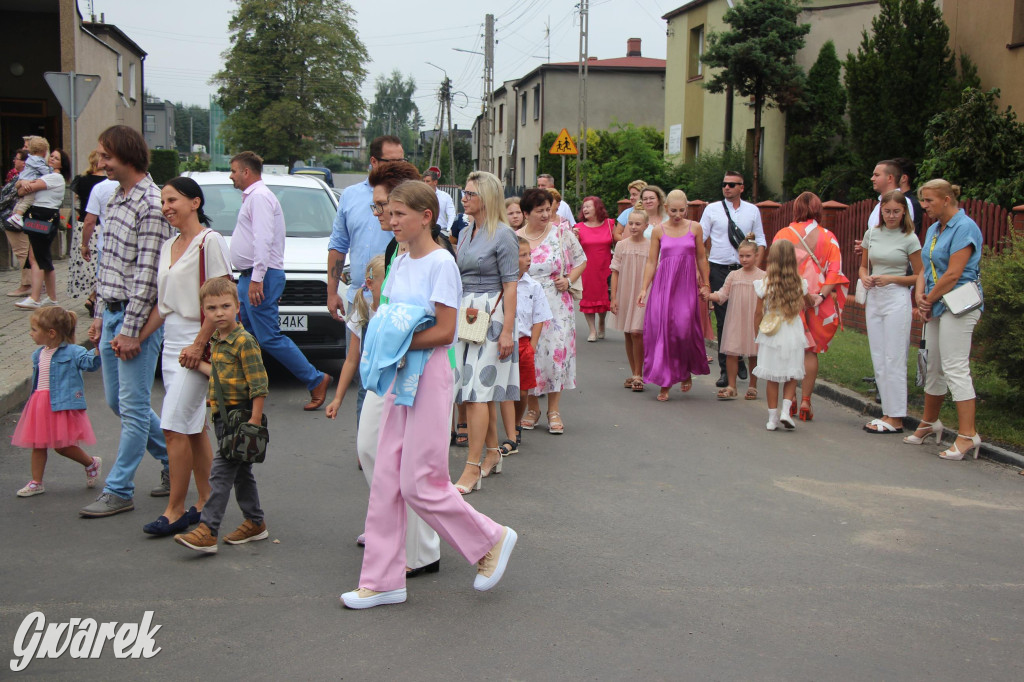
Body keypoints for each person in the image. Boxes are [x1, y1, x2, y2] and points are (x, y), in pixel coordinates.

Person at [340, 180, 517, 609]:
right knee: (386, 477)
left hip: (430, 375)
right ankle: (383, 580)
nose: (390, 220)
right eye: (389, 213)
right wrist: (386, 335)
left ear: (426, 217)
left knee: (420, 482)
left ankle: (491, 539)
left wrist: (392, 340)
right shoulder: (399, 258)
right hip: (399, 373)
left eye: (399, 214)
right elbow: (388, 315)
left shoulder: (442, 263)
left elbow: (444, 330)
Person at [81, 125, 173, 517]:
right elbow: (110, 265)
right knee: (119, 403)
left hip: (135, 319)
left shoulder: (150, 205)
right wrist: (101, 316)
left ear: (128, 156)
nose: (100, 163)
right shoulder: (115, 198)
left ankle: (119, 489)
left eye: (106, 156)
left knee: (133, 409)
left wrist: (131, 331)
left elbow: (147, 278)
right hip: (113, 311)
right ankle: (174, 460)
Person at [135, 177, 232, 536]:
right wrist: (137, 338)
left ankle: (175, 509)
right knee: (192, 429)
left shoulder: (211, 241)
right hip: (171, 343)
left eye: (173, 199)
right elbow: (164, 307)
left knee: (173, 425)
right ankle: (206, 501)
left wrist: (197, 344)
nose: (167, 207)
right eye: (163, 201)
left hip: (197, 345)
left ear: (195, 202)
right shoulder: (168, 245)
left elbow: (222, 299)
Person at [226, 151, 331, 411]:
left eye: (234, 170)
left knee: (268, 337)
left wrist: (258, 279)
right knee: (246, 335)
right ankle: (244, 389)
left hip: (258, 276)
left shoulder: (259, 198)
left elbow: (264, 239)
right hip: (250, 276)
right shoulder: (254, 197)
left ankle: (316, 379)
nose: (231, 176)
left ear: (246, 172)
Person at [174, 277, 270, 553]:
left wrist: (254, 420)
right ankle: (255, 522)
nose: (219, 313)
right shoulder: (217, 340)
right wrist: (197, 365)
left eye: (225, 306)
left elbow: (259, 383)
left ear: (237, 307)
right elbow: (219, 374)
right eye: (212, 308)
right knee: (241, 473)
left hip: (241, 418)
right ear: (204, 311)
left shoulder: (244, 342)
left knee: (220, 473)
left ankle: (207, 529)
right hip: (222, 418)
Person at [905, 179, 984, 460]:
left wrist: (928, 299)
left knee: (954, 366)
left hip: (959, 306)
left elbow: (953, 273)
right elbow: (925, 266)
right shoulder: (935, 229)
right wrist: (921, 294)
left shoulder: (965, 228)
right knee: (933, 364)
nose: (923, 206)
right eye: (923, 200)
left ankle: (967, 435)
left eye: (928, 201)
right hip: (937, 304)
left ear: (947, 200)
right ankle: (929, 422)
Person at [452, 170, 519, 495]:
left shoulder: (504, 234)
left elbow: (511, 285)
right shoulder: (465, 232)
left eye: (470, 194)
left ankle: (473, 466)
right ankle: (492, 452)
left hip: (492, 317)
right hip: (466, 317)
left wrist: (508, 331)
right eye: (464, 193)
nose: (464, 198)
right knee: (473, 390)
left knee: (477, 392)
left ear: (487, 198)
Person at [771, 192, 849, 421]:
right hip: (817, 298)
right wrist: (821, 296)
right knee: (810, 349)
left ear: (795, 209)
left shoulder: (783, 234)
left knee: (790, 347)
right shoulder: (828, 236)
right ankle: (806, 400)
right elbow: (835, 270)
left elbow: (774, 265)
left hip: (789, 297)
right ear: (818, 210)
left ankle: (790, 399)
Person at [516, 188, 586, 434]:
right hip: (526, 303)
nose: (546, 214)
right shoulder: (515, 237)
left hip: (556, 301)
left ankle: (553, 409)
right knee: (530, 355)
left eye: (548, 209)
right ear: (526, 213)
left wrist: (568, 280)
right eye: (539, 211)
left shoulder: (561, 233)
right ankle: (532, 408)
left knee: (556, 353)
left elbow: (581, 259)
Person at [12, 307, 102, 497]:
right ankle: (37, 482)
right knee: (38, 443)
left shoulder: (73, 352)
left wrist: (98, 348)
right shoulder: (38, 354)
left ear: (51, 333)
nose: (30, 333)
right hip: (39, 403)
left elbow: (90, 363)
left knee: (62, 446)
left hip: (61, 405)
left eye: (34, 330)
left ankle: (91, 463)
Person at [858, 189, 923, 434]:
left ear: (904, 211)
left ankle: (897, 416)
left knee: (894, 357)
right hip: (875, 297)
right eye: (887, 211)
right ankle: (887, 412)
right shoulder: (872, 233)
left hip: (897, 298)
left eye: (896, 211)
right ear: (881, 211)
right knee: (879, 356)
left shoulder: (909, 238)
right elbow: (863, 267)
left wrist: (892, 279)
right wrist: (865, 278)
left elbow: (919, 275)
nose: (892, 216)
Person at [638, 189, 711, 401]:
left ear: (686, 208)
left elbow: (701, 258)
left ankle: (685, 370)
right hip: (663, 285)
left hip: (686, 286)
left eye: (681, 210)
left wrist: (706, 284)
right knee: (662, 330)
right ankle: (665, 382)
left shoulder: (695, 228)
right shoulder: (658, 230)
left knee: (683, 329)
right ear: (666, 208)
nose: (677, 215)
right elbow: (652, 261)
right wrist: (644, 288)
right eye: (673, 210)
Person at [328, 135, 405, 324]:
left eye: (401, 161)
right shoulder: (350, 196)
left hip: (394, 298)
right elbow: (338, 245)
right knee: (354, 353)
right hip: (358, 296)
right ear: (374, 161)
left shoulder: (408, 196)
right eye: (392, 162)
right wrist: (332, 292)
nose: (398, 167)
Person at [700, 171, 766, 389]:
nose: (726, 187)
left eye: (731, 184)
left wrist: (757, 267)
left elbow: (761, 241)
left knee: (749, 318)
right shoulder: (712, 209)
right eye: (724, 184)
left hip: (746, 271)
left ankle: (740, 358)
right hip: (720, 268)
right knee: (724, 319)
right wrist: (703, 271)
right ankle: (726, 370)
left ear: (741, 187)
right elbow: (700, 240)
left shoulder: (752, 210)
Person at [500, 236, 552, 455]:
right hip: (502, 342)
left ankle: (517, 423)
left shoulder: (533, 286)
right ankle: (509, 430)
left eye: (529, 254)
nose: (528, 259)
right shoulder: (500, 283)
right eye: (522, 255)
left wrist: (532, 344)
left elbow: (539, 317)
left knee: (522, 392)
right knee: (503, 391)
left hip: (523, 343)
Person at [752, 240, 808, 431]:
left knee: (772, 376)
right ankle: (786, 410)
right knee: (792, 373)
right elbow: (806, 303)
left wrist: (756, 333)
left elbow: (758, 312)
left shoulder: (764, 284)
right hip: (793, 330)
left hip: (771, 331)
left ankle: (772, 419)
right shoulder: (800, 283)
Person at [707, 237, 764, 400]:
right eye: (741, 256)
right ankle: (732, 386)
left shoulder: (764, 276)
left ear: (756, 255)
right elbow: (723, 294)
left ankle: (753, 386)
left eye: (748, 256)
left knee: (754, 353)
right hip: (736, 318)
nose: (744, 259)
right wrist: (708, 296)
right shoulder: (733, 275)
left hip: (754, 319)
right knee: (732, 351)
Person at [13, 148, 69, 310]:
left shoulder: (54, 177)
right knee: (38, 257)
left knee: (38, 258)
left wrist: (24, 183)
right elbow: (20, 189)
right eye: (51, 156)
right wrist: (23, 184)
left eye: (56, 158)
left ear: (62, 164)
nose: (51, 159)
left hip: (43, 216)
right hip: (37, 215)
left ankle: (35, 297)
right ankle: (51, 297)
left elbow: (25, 190)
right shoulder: (46, 174)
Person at [610, 205, 650, 391]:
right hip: (625, 290)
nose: (633, 227)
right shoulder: (621, 245)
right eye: (631, 223)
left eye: (638, 224)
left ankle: (638, 374)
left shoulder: (651, 246)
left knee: (637, 331)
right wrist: (614, 297)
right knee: (627, 331)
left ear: (646, 225)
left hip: (643, 291)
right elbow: (615, 272)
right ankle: (635, 371)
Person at [574, 195, 620, 342]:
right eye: (584, 206)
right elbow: (573, 249)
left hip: (606, 267)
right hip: (587, 268)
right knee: (588, 298)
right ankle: (592, 330)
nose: (585, 209)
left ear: (597, 207)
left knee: (603, 298)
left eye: (589, 206)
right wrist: (574, 237)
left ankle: (601, 322)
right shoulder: (578, 228)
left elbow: (619, 243)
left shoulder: (609, 224)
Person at [67, 150, 108, 307]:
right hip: (99, 226)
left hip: (82, 224)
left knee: (85, 264)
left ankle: (93, 295)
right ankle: (94, 295)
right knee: (99, 262)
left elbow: (76, 198)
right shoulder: (107, 182)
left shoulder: (81, 180)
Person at [4, 149, 32, 297]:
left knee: (23, 252)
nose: (14, 161)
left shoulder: (23, 177)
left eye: (17, 158)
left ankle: (27, 284)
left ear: (24, 162)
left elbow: (8, 197)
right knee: (26, 251)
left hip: (16, 219)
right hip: (18, 217)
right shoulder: (20, 177)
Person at [7, 136, 50, 230]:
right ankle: (17, 216)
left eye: (26, 147)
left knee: (22, 202)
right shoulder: (38, 161)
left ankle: (15, 215)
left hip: (38, 219)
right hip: (34, 219)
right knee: (27, 201)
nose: (24, 150)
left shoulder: (30, 160)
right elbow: (19, 192)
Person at [423, 167, 455, 232]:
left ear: (435, 182)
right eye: (424, 181)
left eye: (428, 181)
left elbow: (451, 215)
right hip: (424, 232)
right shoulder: (419, 196)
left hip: (441, 232)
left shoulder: (445, 197)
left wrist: (448, 230)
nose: (425, 184)